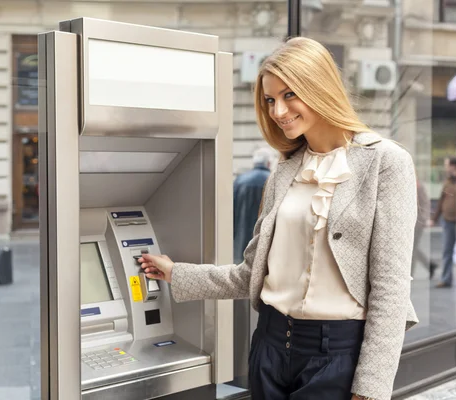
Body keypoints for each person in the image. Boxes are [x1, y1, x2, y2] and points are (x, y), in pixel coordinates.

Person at [139, 37, 418, 400]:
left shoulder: (386, 162)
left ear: (319, 88)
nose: (277, 111)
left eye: (289, 95)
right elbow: (250, 273)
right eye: (270, 100)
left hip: (337, 353)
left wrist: (371, 387)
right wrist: (177, 273)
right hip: (270, 344)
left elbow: (390, 289)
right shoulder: (285, 170)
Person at [233, 147, 274, 264]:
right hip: (263, 242)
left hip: (240, 240)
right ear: (269, 163)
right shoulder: (272, 180)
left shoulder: (240, 180)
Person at [431, 156, 456, 288]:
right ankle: (446, 278)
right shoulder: (447, 182)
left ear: (454, 166)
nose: (445, 167)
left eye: (447, 165)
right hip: (448, 220)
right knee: (447, 250)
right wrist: (434, 219)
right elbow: (441, 201)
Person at [412, 179, 437, 278]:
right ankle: (430, 265)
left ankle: (410, 274)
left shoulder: (418, 185)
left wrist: (423, 219)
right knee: (414, 248)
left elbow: (425, 203)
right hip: (412, 223)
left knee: (413, 248)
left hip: (417, 223)